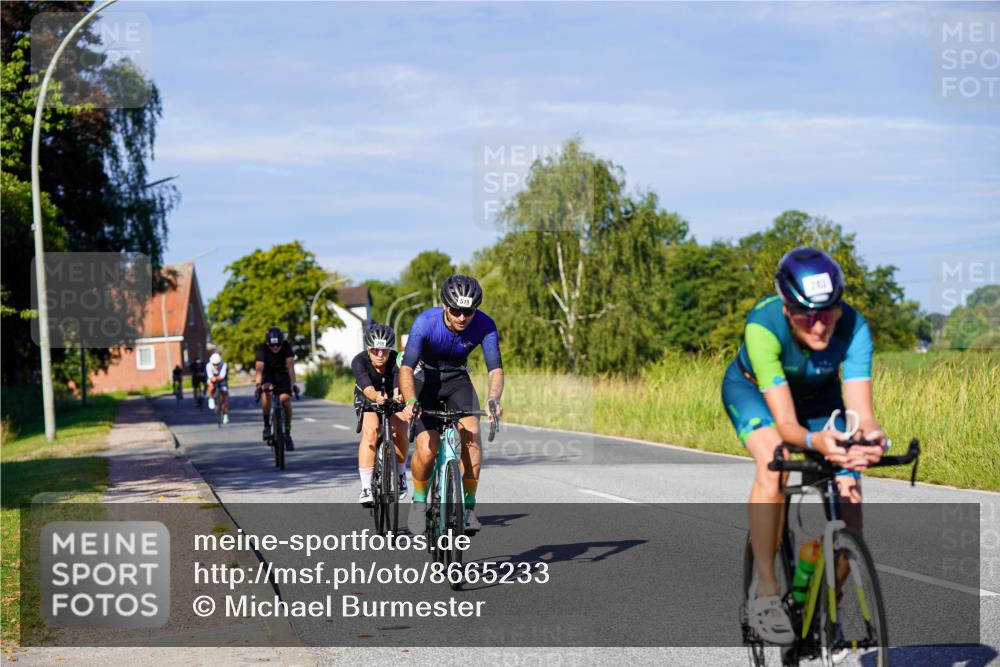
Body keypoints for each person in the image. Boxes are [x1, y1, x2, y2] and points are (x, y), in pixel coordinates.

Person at [721, 247, 886, 644]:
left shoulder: (855, 326)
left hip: (819, 401)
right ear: (785, 308)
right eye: (805, 316)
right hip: (756, 395)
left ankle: (826, 604)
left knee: (850, 507)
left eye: (827, 313)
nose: (818, 327)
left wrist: (871, 439)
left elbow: (862, 413)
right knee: (775, 460)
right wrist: (816, 442)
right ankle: (765, 591)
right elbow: (787, 425)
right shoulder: (762, 326)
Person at [399, 274, 504, 536]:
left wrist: (493, 399)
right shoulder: (425, 322)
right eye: (456, 310)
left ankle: (468, 508)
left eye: (468, 312)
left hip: (458, 379)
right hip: (427, 379)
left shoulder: (485, 325)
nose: (461, 317)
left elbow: (496, 370)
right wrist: (411, 401)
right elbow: (406, 368)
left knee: (472, 434)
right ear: (445, 306)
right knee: (427, 446)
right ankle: (419, 502)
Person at [352, 323, 410, 506]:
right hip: (367, 396)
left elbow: (397, 382)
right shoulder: (359, 361)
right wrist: (376, 396)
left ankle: (400, 474)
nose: (380, 355)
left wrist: (398, 395)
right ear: (368, 348)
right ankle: (366, 488)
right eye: (375, 350)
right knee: (371, 431)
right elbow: (367, 388)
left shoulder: (397, 359)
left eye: (384, 350)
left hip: (391, 397)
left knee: (401, 428)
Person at [255, 327, 297, 450]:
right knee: (265, 392)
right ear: (268, 343)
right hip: (268, 375)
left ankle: (288, 434)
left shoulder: (287, 346)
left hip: (282, 375)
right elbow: (259, 368)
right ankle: (267, 425)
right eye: (272, 346)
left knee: (286, 400)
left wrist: (293, 384)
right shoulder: (262, 348)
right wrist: (258, 385)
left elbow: (290, 366)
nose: (275, 348)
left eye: (278, 345)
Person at [205, 352, 230, 424]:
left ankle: (225, 415)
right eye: (214, 364)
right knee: (210, 386)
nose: (216, 366)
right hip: (212, 379)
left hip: (222, 381)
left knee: (224, 397)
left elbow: (222, 376)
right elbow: (210, 377)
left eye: (217, 364)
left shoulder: (224, 365)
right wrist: (214, 379)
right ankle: (211, 398)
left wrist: (217, 378)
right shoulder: (208, 366)